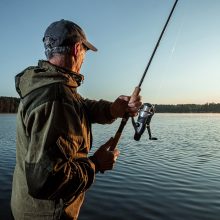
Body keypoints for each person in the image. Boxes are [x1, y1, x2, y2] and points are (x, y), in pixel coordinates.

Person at [11, 19, 142, 220]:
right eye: (85, 52)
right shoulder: (55, 96)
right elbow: (45, 182)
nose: (84, 58)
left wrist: (113, 109)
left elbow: (82, 106)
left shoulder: (51, 86)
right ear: (76, 48)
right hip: (48, 215)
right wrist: (96, 164)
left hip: (28, 209)